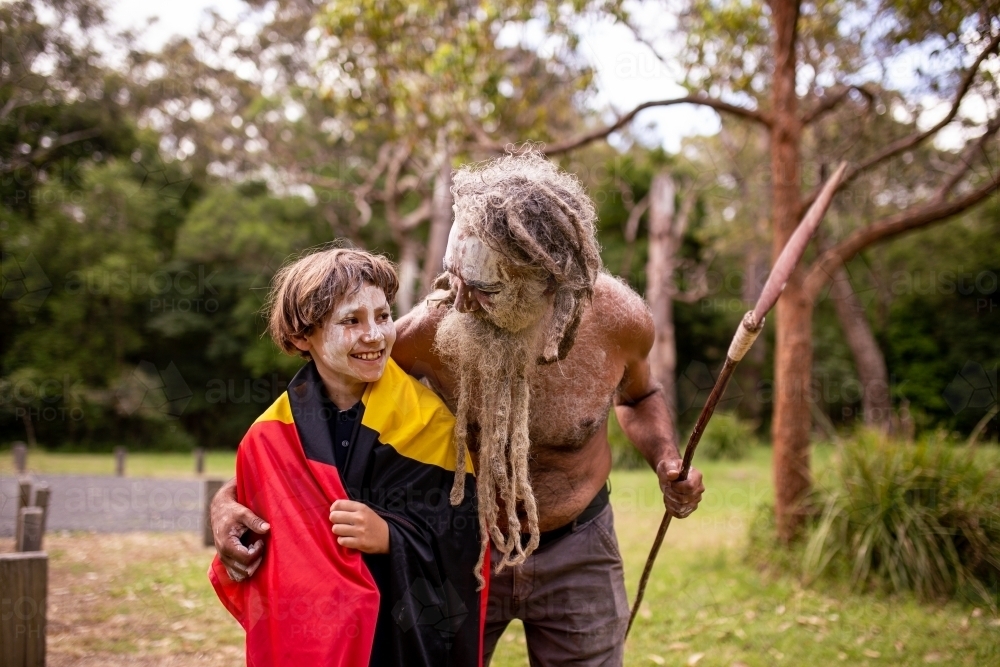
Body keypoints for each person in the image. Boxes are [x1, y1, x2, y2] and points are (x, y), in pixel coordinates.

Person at [212, 151, 705, 666]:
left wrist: (667, 459)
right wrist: (231, 499)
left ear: (546, 281)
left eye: (485, 288)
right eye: (453, 275)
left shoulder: (619, 322)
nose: (458, 300)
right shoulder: (425, 333)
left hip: (578, 545)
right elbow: (314, 426)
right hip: (453, 553)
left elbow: (640, 396)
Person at [208, 248, 486, 666]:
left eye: (383, 316)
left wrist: (393, 537)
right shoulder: (269, 435)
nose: (374, 334)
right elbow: (262, 545)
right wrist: (227, 517)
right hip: (314, 640)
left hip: (398, 639)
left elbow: (465, 537)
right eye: (351, 321)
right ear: (303, 337)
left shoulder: (431, 422)